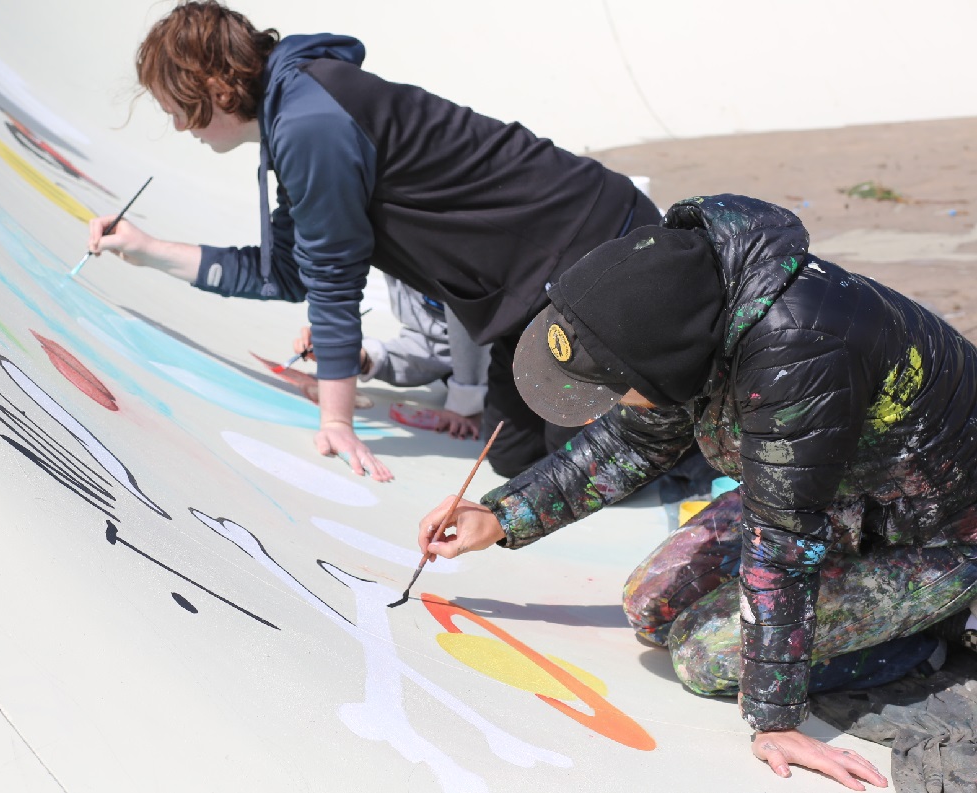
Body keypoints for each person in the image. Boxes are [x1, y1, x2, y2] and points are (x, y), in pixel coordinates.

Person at [417, 193, 977, 790]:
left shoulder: (796, 351)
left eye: (611, 389)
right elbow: (633, 442)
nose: (602, 406)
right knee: (649, 605)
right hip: (835, 493)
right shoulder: (685, 302)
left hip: (938, 532)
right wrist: (502, 516)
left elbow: (783, 544)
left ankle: (919, 640)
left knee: (704, 658)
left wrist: (776, 719)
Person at [86, 0, 662, 481]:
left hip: (594, 251)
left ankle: (713, 441)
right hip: (531, 293)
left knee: (594, 465)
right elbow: (288, 272)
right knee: (515, 458)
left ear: (214, 84)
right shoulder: (300, 112)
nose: (182, 128)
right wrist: (145, 250)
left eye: (179, 110)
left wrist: (337, 422)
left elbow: (334, 280)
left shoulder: (310, 123)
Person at [295, 274, 491, 439]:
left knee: (507, 459)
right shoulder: (392, 251)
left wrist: (467, 398)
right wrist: (359, 356)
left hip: (513, 352)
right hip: (476, 356)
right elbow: (434, 343)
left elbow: (476, 290)